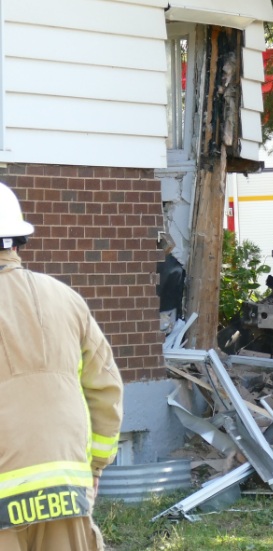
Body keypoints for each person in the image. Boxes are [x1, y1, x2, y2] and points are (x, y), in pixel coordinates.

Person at [0, 182, 123, 551]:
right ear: (17, 241)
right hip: (65, 488)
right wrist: (96, 467)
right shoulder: (66, 298)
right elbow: (106, 389)